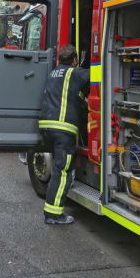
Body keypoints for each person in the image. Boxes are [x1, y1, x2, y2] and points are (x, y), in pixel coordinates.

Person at [38, 45, 90, 225]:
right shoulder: (74, 73)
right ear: (75, 60)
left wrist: (81, 98)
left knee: (59, 168)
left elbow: (66, 94)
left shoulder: (53, 73)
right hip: (63, 131)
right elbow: (97, 72)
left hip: (47, 128)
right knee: (62, 172)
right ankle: (53, 214)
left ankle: (53, 210)